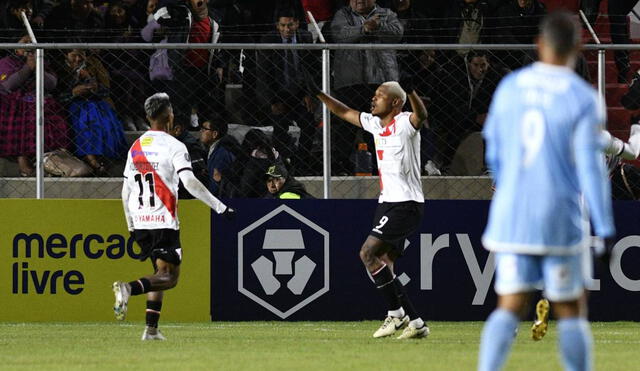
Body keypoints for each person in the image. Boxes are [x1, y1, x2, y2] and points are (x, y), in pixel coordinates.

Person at [477, 12, 615, 371]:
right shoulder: (583, 97)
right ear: (579, 48)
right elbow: (590, 168)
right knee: (570, 309)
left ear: (539, 45)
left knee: (509, 305)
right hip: (559, 216)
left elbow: (492, 149)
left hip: (512, 214)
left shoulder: (510, 87)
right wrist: (605, 228)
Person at [305, 68, 429, 338]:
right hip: (387, 203)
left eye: (380, 96)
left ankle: (396, 315)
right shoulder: (375, 124)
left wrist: (411, 92)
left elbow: (422, 116)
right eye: (374, 95)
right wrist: (318, 92)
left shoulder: (406, 123)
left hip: (406, 204)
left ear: (395, 102)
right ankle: (416, 323)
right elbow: (343, 111)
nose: (373, 100)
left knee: (367, 254)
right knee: (385, 261)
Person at [113, 92, 235, 340]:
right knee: (169, 278)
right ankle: (128, 288)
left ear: (147, 117)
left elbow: (125, 190)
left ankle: (151, 329)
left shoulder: (136, 147)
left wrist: (130, 225)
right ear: (170, 115)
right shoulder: (175, 146)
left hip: (139, 217)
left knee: (158, 274)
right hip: (162, 219)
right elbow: (189, 181)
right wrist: (219, 207)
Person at [330, 0, 403, 175]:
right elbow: (339, 34)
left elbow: (397, 33)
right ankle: (341, 169)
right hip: (349, 83)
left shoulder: (387, 14)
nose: (359, 1)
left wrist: (377, 27)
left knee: (380, 129)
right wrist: (364, 28)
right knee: (344, 130)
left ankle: (385, 169)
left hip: (381, 84)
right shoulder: (343, 15)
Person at [0, 35, 70, 176]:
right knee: (25, 114)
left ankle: (49, 162)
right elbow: (7, 86)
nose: (29, 46)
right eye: (24, 43)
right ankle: (23, 161)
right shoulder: (7, 62)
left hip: (41, 98)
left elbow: (51, 84)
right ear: (15, 48)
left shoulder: (42, 61)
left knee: (51, 112)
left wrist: (37, 67)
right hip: (15, 101)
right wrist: (27, 68)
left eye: (31, 42)